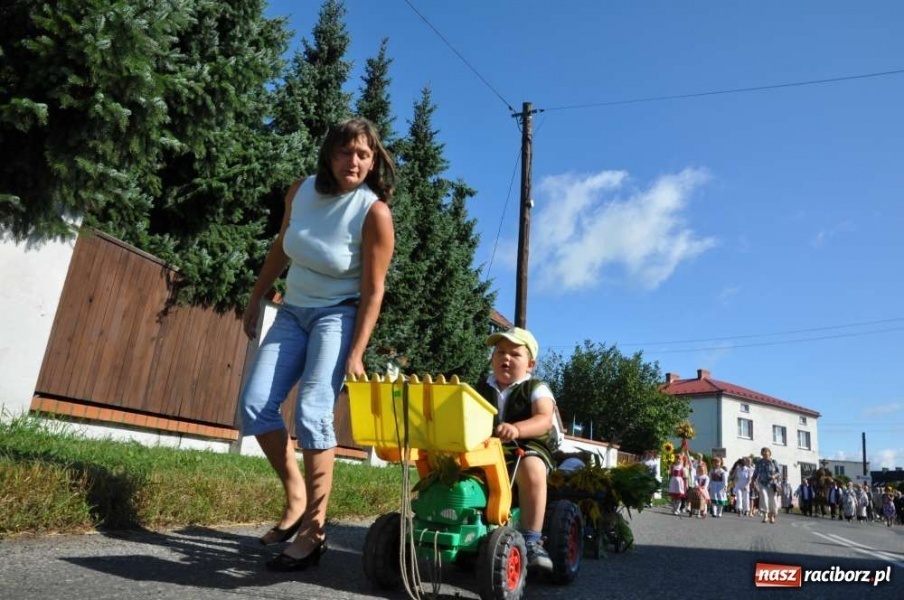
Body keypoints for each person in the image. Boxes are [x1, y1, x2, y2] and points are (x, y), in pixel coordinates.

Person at [239, 118, 396, 572]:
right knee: (254, 406)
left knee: (311, 412)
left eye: (364, 154)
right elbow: (282, 245)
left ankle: (314, 531)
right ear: (329, 154)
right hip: (293, 311)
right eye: (346, 152)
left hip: (338, 314)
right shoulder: (301, 190)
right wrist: (256, 296)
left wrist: (356, 350)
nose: (355, 162)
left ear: (373, 160)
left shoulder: (373, 213)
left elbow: (373, 290)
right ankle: (295, 497)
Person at [476, 327, 557, 572]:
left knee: (531, 467)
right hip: (488, 447)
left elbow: (544, 418)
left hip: (527, 445)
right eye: (500, 352)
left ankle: (532, 539)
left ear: (530, 363)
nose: (505, 358)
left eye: (514, 354)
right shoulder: (482, 386)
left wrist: (517, 429)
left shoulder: (535, 387)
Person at [753, 447, 781, 524]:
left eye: (766, 451)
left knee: (773, 500)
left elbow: (779, 472)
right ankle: (765, 516)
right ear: (761, 454)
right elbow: (755, 473)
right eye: (763, 452)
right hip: (762, 483)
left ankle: (772, 516)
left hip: (772, 484)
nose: (765, 453)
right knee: (764, 498)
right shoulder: (759, 463)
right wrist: (753, 481)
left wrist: (774, 476)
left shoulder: (774, 462)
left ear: (769, 453)